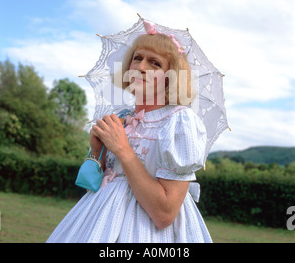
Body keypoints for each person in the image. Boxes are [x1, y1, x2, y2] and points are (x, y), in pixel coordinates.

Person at [46, 21, 212, 243]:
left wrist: (122, 149)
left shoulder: (179, 122)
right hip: (95, 223)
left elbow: (164, 215)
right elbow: (92, 188)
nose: (141, 67)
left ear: (171, 77)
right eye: (137, 57)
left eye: (155, 63)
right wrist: (97, 152)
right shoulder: (121, 117)